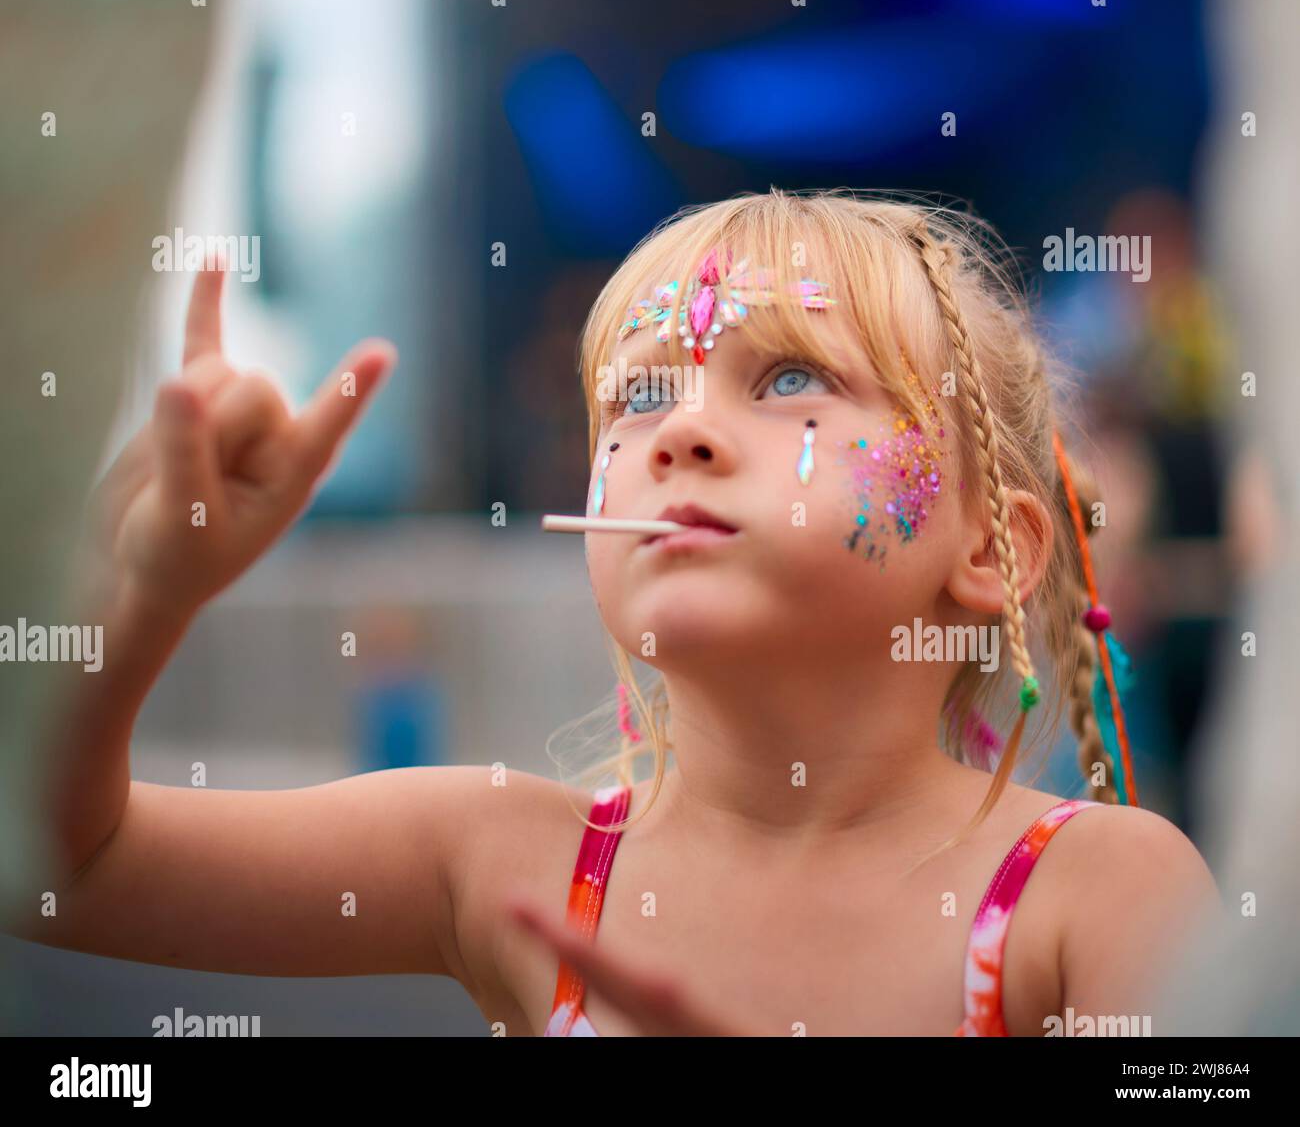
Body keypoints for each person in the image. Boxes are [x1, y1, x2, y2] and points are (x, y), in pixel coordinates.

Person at [9, 189, 1219, 1037]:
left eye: (790, 377)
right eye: (635, 398)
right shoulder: (495, 857)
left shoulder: (1099, 890)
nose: (677, 433)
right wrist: (144, 601)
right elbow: (63, 864)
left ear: (992, 548)